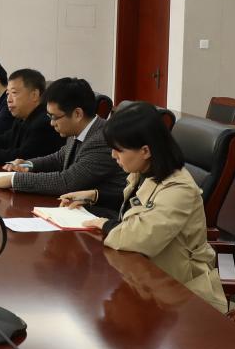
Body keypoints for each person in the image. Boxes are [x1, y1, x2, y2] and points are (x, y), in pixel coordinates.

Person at [71, 103, 225, 311]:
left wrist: (105, 224)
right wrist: (96, 196)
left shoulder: (179, 189)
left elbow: (141, 238)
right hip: (147, 281)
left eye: (118, 150)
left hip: (182, 296)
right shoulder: (144, 172)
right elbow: (137, 207)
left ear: (145, 151)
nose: (113, 155)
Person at [0, 77, 125, 211]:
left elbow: (67, 181)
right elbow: (60, 157)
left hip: (102, 213)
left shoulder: (102, 139)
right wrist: (28, 164)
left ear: (77, 114)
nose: (52, 123)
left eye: (55, 117)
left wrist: (13, 179)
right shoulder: (78, 129)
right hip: (77, 206)